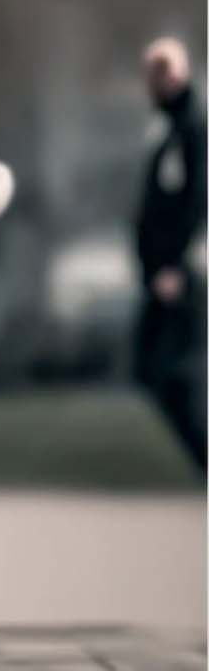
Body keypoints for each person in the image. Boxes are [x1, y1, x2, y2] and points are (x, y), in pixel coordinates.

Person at [133, 37, 206, 469]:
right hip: (158, 275)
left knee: (178, 371)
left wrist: (175, 264)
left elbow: (198, 196)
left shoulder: (193, 127)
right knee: (150, 369)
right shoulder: (166, 128)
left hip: (180, 275)